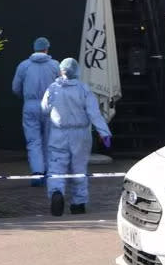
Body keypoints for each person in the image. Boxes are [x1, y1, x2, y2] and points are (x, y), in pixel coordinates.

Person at [41, 57, 112, 216]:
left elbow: (44, 108)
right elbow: (94, 114)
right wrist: (104, 133)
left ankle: (56, 192)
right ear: (77, 71)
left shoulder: (53, 88)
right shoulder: (83, 89)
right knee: (79, 168)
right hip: (80, 135)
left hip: (58, 133)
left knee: (56, 167)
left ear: (61, 70)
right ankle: (78, 203)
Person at [12, 37, 60, 186]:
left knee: (33, 141)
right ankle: (48, 172)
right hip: (50, 107)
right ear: (47, 49)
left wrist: (26, 98)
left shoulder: (24, 66)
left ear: (34, 48)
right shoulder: (55, 65)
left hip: (30, 106)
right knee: (49, 140)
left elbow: (15, 88)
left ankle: (37, 173)